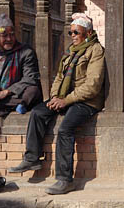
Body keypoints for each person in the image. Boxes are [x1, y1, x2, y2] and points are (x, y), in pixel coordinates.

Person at [8, 13, 105, 195]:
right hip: (64, 98)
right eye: (71, 32)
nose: (73, 36)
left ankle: (64, 179)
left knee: (65, 129)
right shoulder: (70, 52)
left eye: (77, 32)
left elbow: (93, 85)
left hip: (87, 102)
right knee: (37, 112)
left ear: (88, 33)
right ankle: (32, 158)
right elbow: (59, 77)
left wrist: (65, 100)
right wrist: (54, 97)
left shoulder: (95, 50)